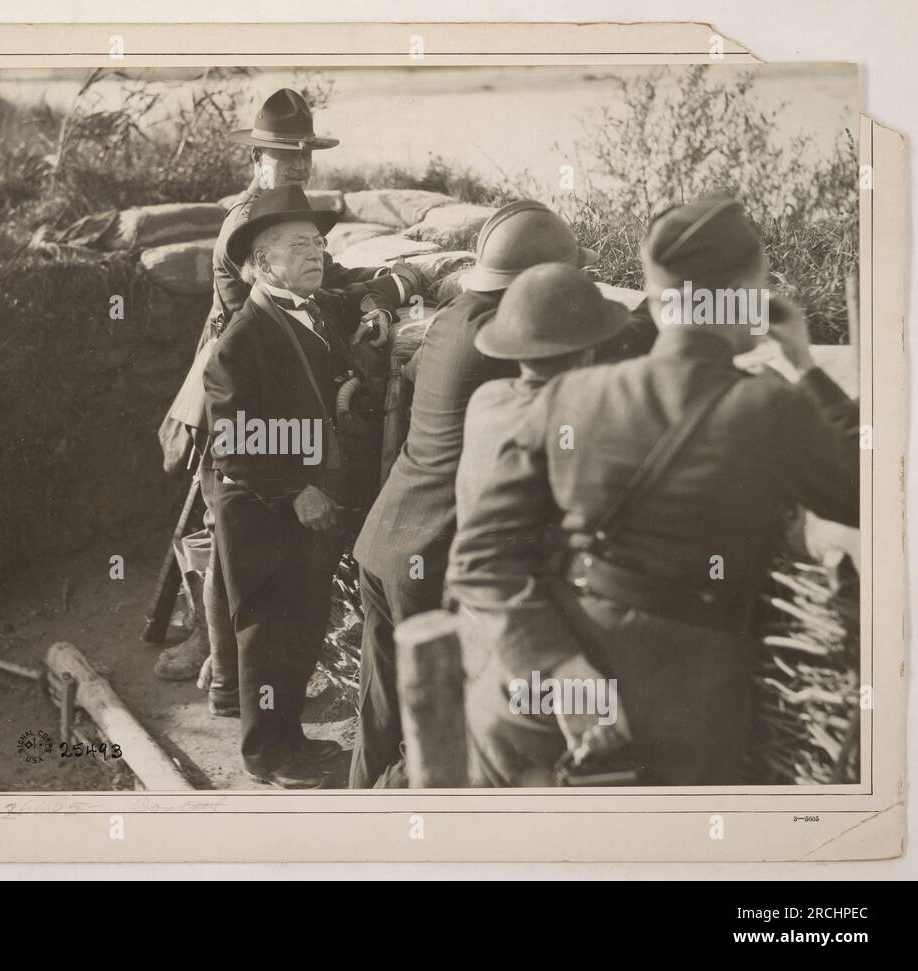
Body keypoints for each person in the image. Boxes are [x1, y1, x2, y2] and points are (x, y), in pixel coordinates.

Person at [451, 194, 859, 785]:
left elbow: (480, 556)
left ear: (656, 294)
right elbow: (862, 491)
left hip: (532, 707)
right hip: (674, 720)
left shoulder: (572, 396)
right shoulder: (772, 407)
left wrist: (561, 669)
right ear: (746, 292)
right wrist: (806, 366)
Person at [348, 200, 624, 789]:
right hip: (431, 559)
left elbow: (421, 371)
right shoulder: (505, 347)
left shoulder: (454, 318)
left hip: (385, 539)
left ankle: (349, 832)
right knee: (430, 731)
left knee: (377, 717)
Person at [156, 88, 418, 707]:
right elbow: (275, 300)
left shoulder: (284, 204)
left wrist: (382, 287)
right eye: (283, 152)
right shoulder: (246, 219)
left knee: (232, 526)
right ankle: (224, 673)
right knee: (234, 528)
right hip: (244, 373)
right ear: (257, 157)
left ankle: (222, 664)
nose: (297, 163)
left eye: (305, 152)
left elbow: (324, 274)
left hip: (264, 364)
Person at [203, 185, 393, 788]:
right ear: (260, 263)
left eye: (317, 242)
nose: (315, 253)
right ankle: (267, 756)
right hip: (264, 510)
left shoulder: (315, 309)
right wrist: (296, 493)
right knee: (266, 633)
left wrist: (385, 304)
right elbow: (233, 441)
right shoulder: (241, 339)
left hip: (309, 507)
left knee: (302, 629)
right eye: (298, 246)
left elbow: (360, 295)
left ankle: (291, 741)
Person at [445, 262, 632, 786]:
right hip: (538, 664)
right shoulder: (580, 424)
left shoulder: (487, 401)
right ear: (594, 347)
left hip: (482, 643)